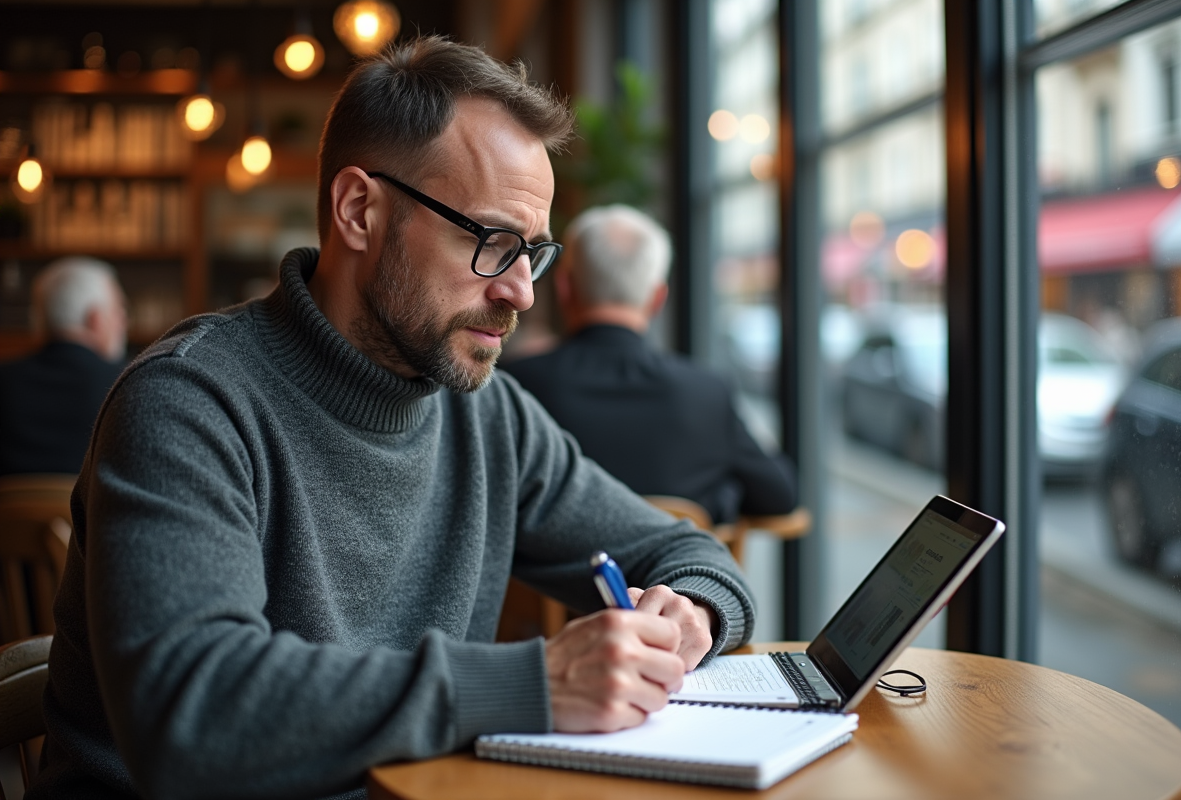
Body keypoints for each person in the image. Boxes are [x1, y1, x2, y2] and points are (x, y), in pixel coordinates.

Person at [30, 36, 754, 800]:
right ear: (358, 211)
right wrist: (534, 682)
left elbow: (687, 552)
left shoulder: (489, 417)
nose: (522, 292)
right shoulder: (188, 403)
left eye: (532, 253)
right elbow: (191, 712)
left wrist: (691, 611)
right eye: (490, 242)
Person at [505, 205, 797, 525]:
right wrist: (717, 500)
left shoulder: (515, 387)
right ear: (658, 298)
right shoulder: (706, 392)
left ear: (564, 288)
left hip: (539, 577)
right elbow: (780, 497)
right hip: (676, 576)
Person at [0, 256, 126, 477]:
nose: (124, 321)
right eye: (119, 310)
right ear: (95, 319)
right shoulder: (126, 384)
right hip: (95, 512)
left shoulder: (5, 380)